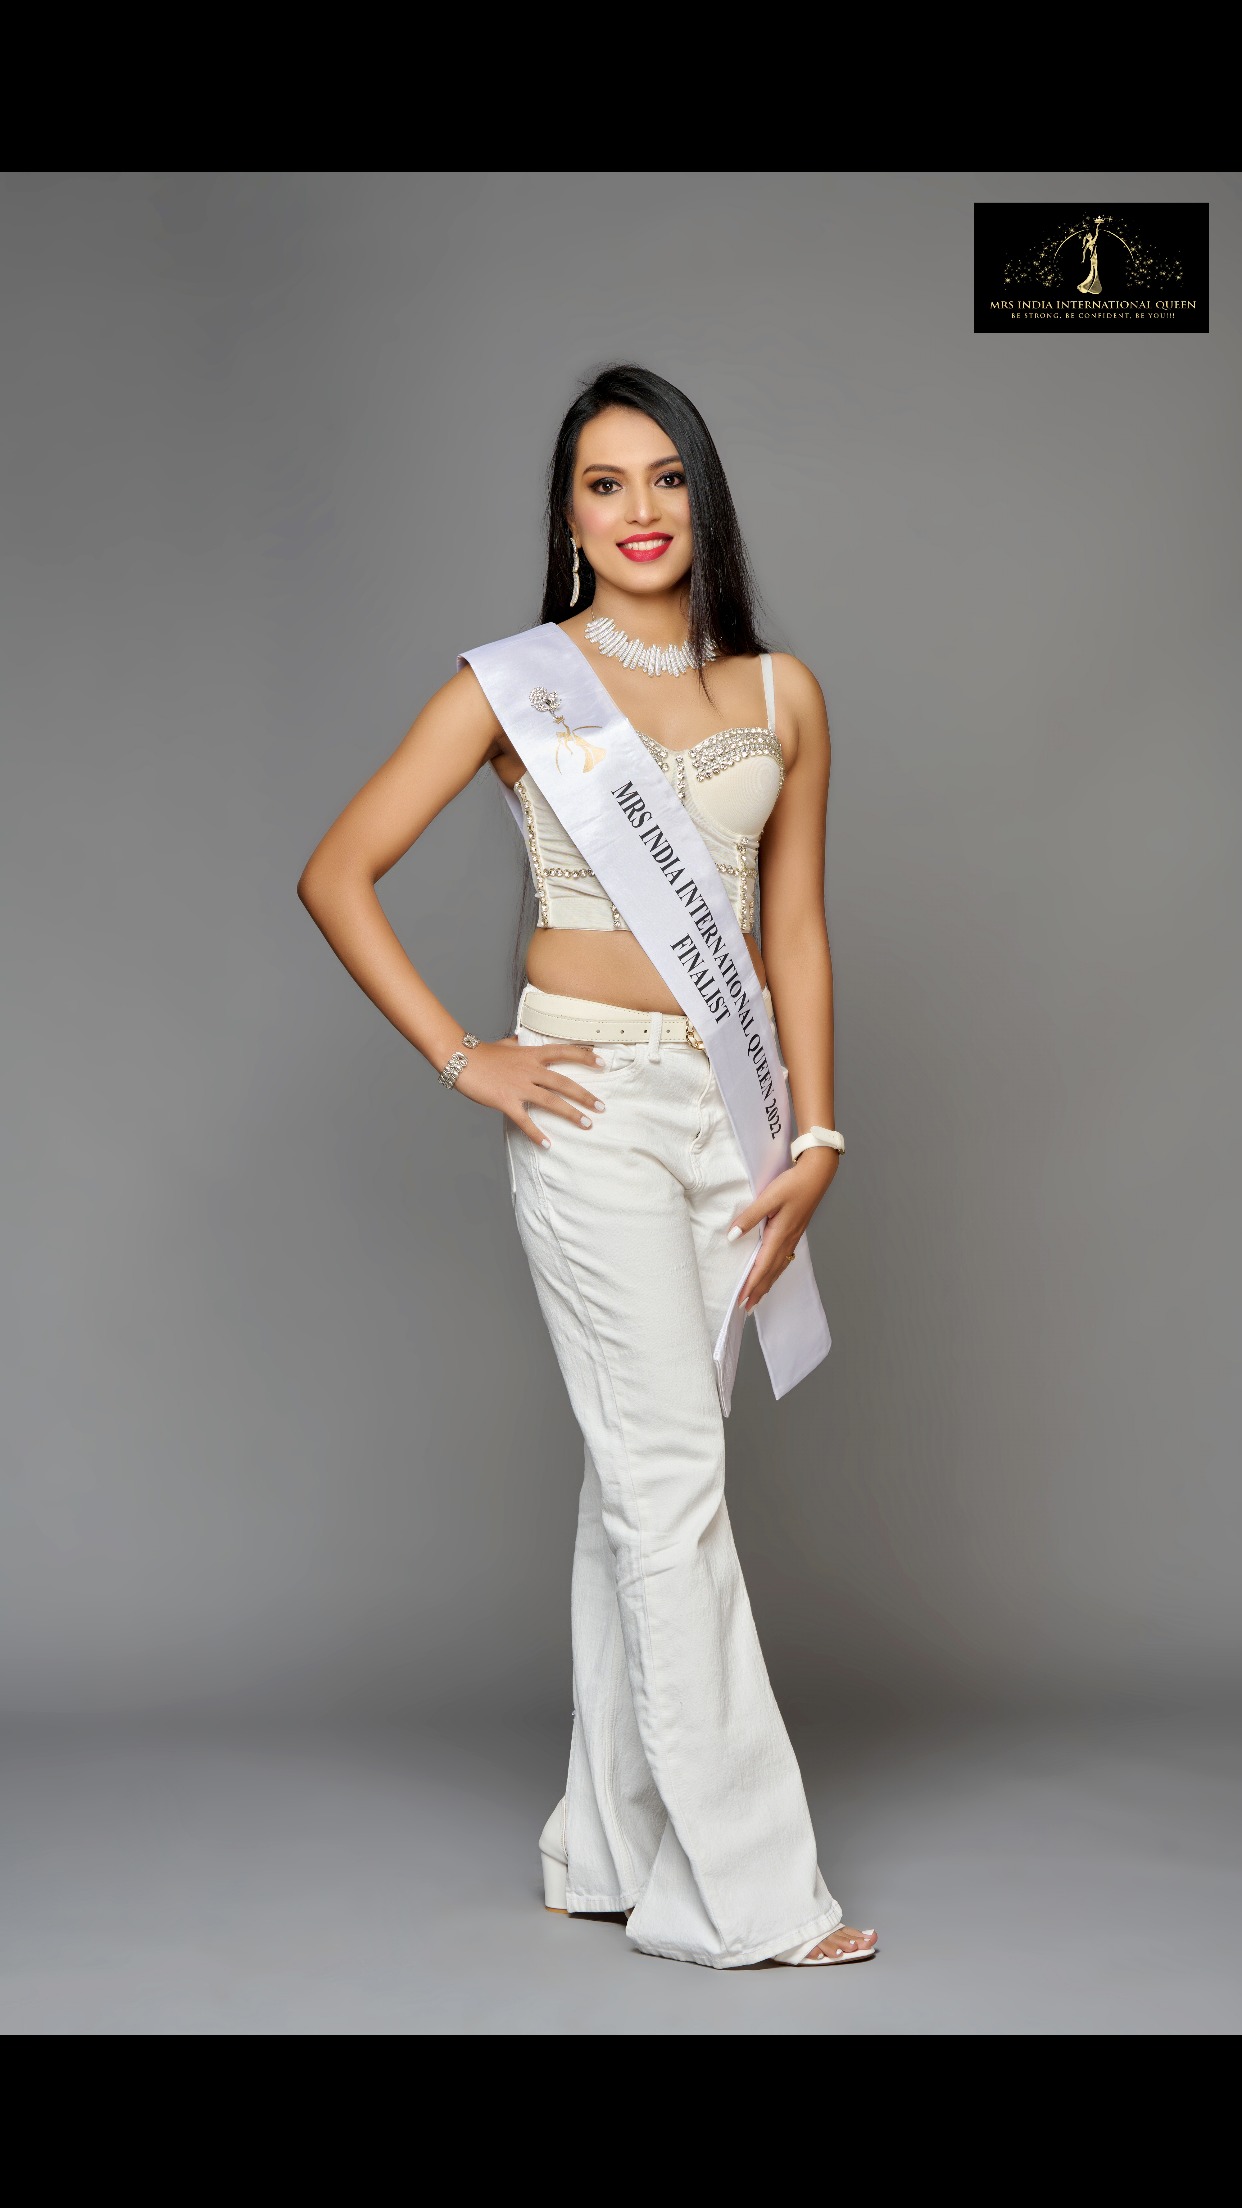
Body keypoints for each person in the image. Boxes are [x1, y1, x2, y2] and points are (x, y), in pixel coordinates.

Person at [297, 364, 876, 1969]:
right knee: (667, 1480)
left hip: (729, 1112)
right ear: (565, 512)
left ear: (704, 497)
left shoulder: (782, 693)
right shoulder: (515, 687)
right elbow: (339, 871)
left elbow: (795, 930)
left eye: (664, 477)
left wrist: (817, 1132)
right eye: (603, 482)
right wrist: (461, 1054)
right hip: (589, 1106)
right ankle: (743, 1897)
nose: (638, 510)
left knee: (638, 1477)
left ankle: (600, 1843)